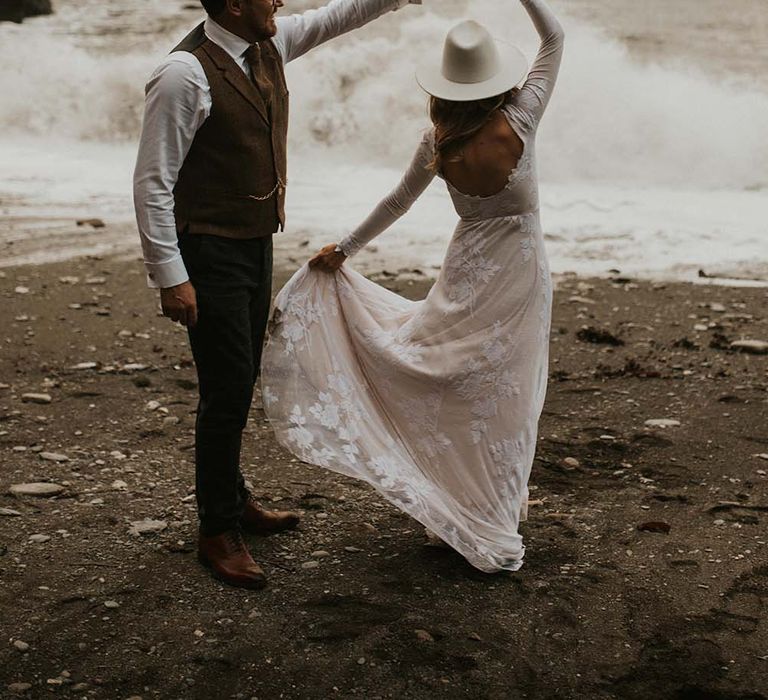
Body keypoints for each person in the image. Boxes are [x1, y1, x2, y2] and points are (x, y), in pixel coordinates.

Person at [261, 0, 564, 573]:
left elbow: (397, 201)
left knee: (448, 376)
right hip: (520, 272)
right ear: (496, 78)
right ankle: (494, 509)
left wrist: (344, 249)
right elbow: (555, 38)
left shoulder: (439, 141)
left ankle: (457, 500)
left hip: (467, 266)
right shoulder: (522, 116)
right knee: (508, 390)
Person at [133, 0, 422, 590]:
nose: (282, 3)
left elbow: (336, 17)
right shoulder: (183, 74)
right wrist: (171, 275)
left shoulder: (265, 42)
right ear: (235, 5)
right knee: (227, 387)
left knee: (238, 377)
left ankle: (233, 501)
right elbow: (152, 183)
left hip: (252, 241)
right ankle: (216, 530)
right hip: (208, 251)